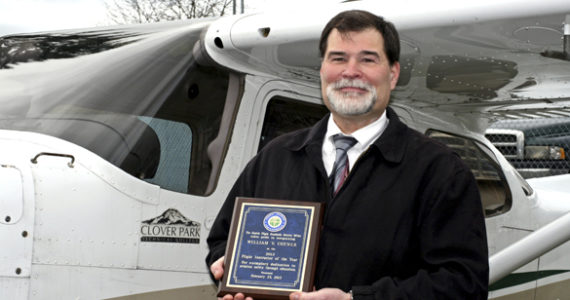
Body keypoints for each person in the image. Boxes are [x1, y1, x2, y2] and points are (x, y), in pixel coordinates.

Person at [206, 9, 489, 300]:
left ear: (393, 74)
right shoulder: (275, 157)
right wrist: (227, 267)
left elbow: (464, 285)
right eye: (338, 58)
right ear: (322, 71)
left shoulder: (440, 171)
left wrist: (355, 299)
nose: (350, 71)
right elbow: (223, 239)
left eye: (367, 59)